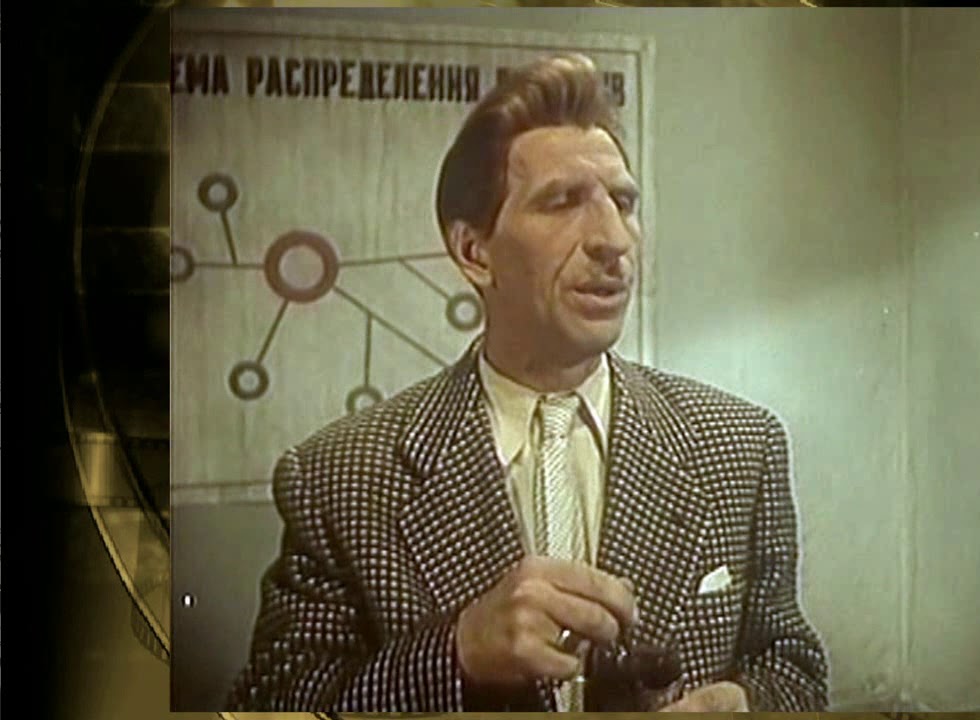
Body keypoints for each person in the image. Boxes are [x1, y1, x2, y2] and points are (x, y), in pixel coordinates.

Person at [226, 53, 828, 713]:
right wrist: (454, 653)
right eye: (562, 202)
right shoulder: (340, 476)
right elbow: (274, 701)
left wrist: (743, 704)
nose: (613, 240)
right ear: (474, 252)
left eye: (624, 202)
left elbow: (791, 667)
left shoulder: (740, 446)